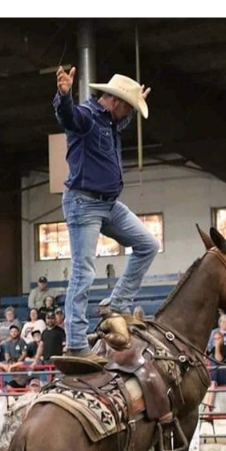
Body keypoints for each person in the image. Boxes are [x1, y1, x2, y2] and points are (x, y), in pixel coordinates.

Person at [52, 65, 157, 365]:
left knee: (147, 244)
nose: (128, 115)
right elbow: (67, 117)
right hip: (83, 204)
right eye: (129, 108)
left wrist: (137, 101)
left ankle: (118, 303)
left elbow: (123, 120)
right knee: (83, 271)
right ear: (115, 101)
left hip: (108, 204)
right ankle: (74, 342)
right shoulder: (86, 117)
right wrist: (63, 95)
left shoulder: (111, 121)